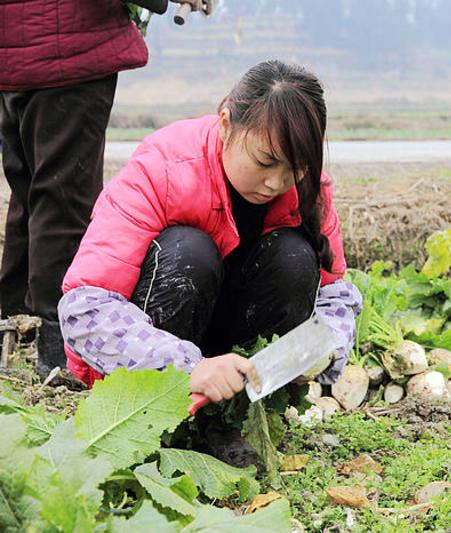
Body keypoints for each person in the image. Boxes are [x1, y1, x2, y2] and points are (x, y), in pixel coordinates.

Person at [57, 60, 362, 405]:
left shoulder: (309, 191)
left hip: (236, 366)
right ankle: (166, 413)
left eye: (296, 167)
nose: (276, 183)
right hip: (155, 372)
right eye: (264, 161)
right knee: (189, 252)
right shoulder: (162, 169)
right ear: (226, 124)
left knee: (293, 258)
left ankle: (241, 412)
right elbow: (83, 310)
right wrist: (190, 367)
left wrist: (325, 346)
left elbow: (335, 295)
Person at [0, 0, 150, 379]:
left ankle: (16, 319)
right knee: (65, 198)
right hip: (65, 46)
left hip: (14, 47)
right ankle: (59, 345)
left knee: (33, 190)